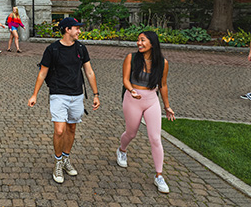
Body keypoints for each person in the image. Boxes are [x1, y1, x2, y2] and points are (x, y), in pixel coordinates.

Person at [27, 17, 100, 184]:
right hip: (58, 94)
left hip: (77, 95)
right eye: (76, 28)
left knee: (72, 128)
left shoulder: (81, 48)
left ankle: (66, 158)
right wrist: (34, 95)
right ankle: (58, 161)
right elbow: (42, 73)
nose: (79, 31)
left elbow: (89, 72)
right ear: (67, 29)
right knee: (60, 130)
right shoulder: (52, 49)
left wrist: (96, 94)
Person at [116, 30, 175, 194]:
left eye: (143, 40)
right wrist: (131, 90)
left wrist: (167, 106)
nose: (139, 43)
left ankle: (159, 175)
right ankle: (122, 150)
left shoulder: (163, 63)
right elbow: (125, 79)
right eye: (138, 40)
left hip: (151, 100)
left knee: (155, 138)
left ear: (152, 43)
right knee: (131, 133)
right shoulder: (131, 58)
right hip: (132, 98)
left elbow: (163, 85)